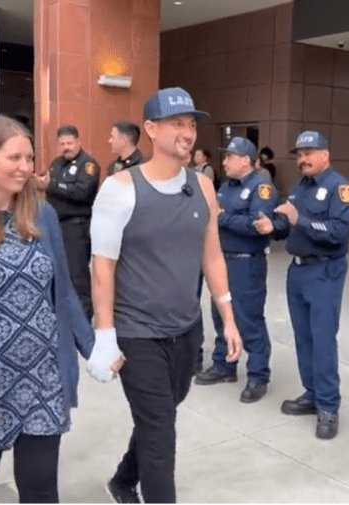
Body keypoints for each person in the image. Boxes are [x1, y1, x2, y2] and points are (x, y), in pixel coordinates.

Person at [0, 114, 123, 503]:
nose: (27, 168)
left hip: (42, 374)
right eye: (15, 158)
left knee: (41, 487)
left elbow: (63, 293)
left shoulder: (41, 215)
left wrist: (93, 346)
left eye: (30, 158)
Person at [91, 87, 242, 503]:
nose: (187, 132)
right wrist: (104, 335)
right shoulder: (119, 188)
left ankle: (123, 480)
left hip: (186, 329)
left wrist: (227, 318)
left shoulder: (204, 188)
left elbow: (211, 256)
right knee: (161, 433)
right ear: (151, 130)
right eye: (177, 123)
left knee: (161, 414)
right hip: (138, 331)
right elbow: (102, 266)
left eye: (192, 124)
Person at [253, 130, 349, 440]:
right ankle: (312, 393)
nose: (303, 159)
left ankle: (328, 406)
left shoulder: (340, 188)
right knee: (303, 337)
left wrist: (300, 221)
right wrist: (275, 226)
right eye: (299, 154)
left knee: (323, 338)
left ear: (325, 154)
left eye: (309, 153)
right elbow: (289, 225)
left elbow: (338, 232)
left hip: (325, 270)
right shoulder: (300, 187)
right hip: (297, 271)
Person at [194, 136, 277, 403]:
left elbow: (257, 224)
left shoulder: (261, 187)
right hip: (223, 259)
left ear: (245, 160)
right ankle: (224, 365)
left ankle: (258, 375)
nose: (225, 161)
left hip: (246, 262)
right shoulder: (225, 187)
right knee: (220, 313)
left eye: (230, 156)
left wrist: (223, 217)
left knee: (249, 317)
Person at [44, 125, 100, 317]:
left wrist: (53, 185)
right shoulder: (56, 164)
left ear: (78, 142)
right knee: (56, 271)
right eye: (62, 144)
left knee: (77, 275)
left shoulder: (88, 164)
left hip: (77, 227)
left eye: (69, 143)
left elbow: (82, 192)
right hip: (56, 225)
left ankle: (83, 318)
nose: (66, 147)